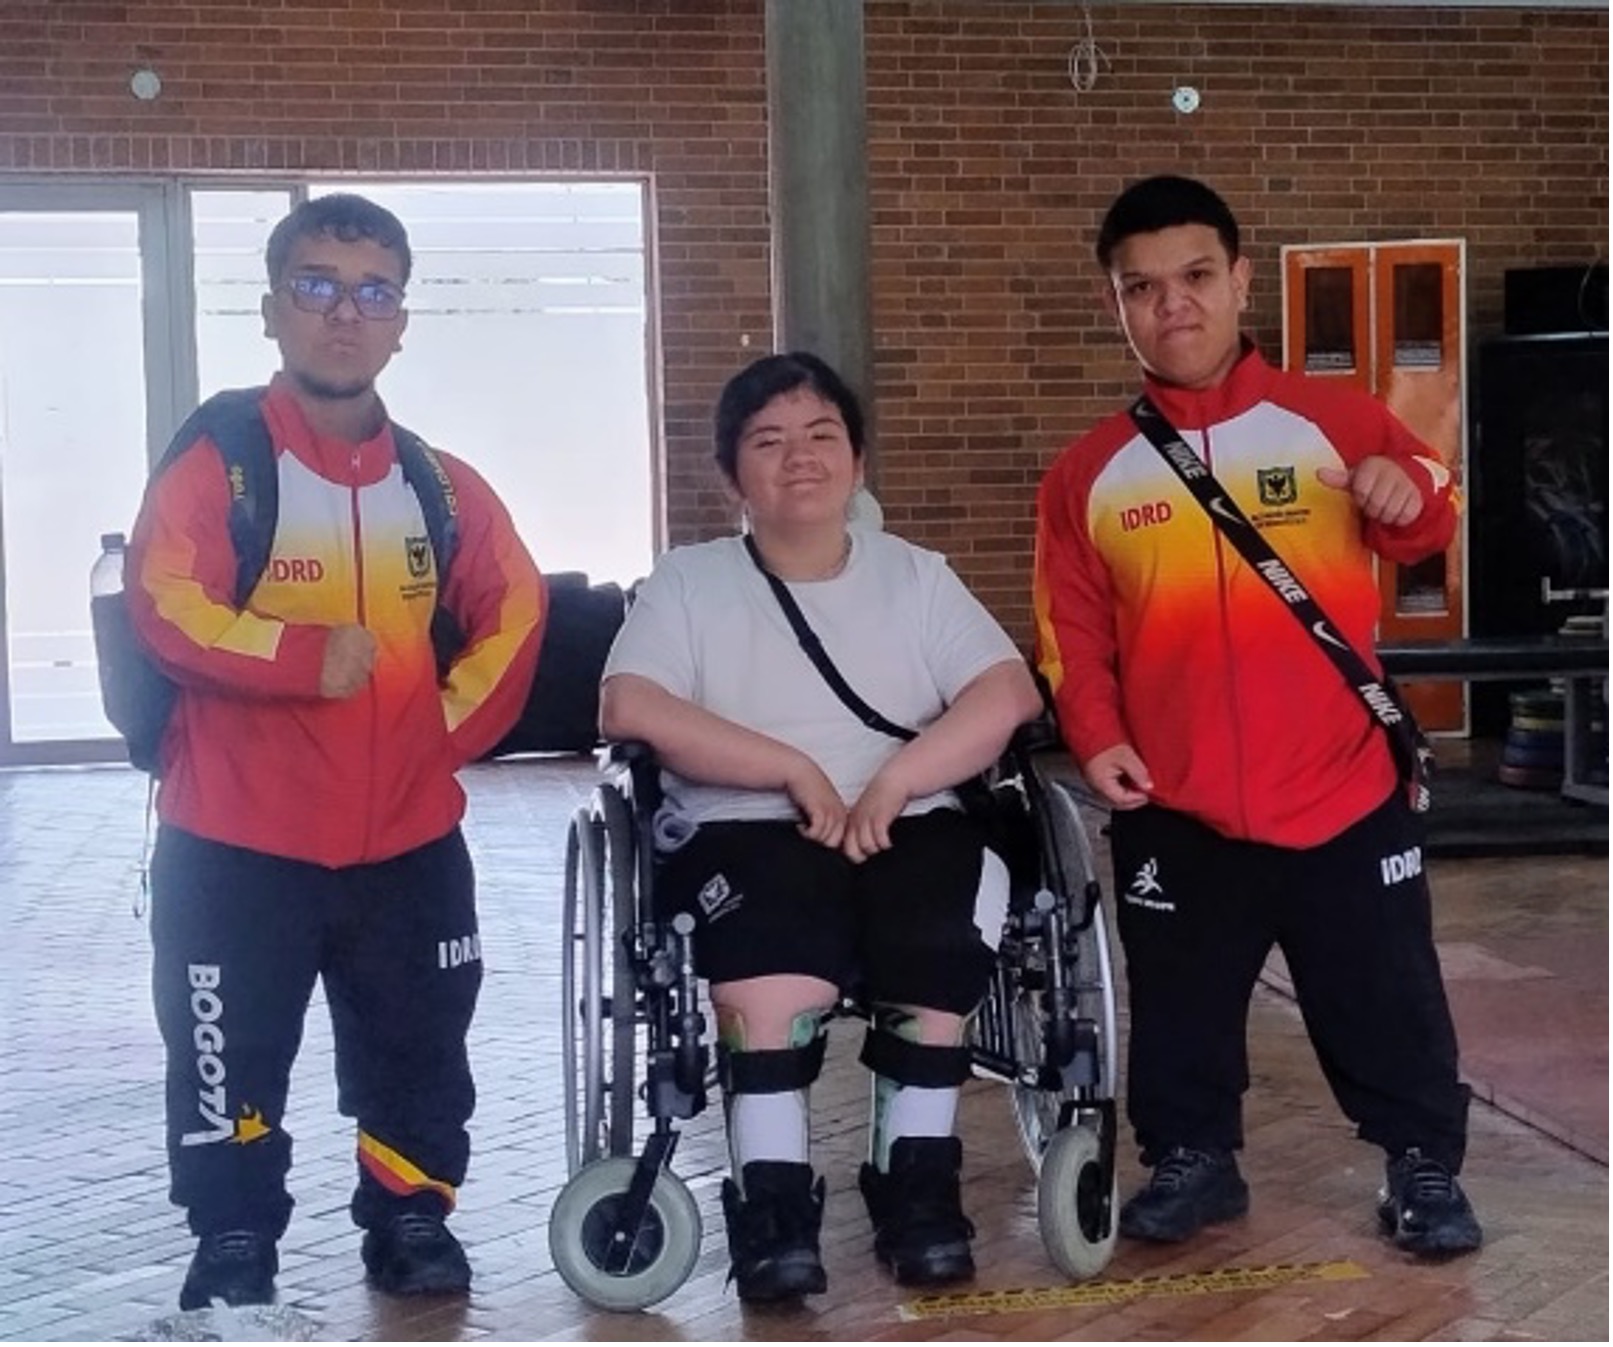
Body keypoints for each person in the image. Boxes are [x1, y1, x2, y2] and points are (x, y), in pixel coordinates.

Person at [1033, 175, 1482, 1258]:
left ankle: (1419, 1165)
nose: (1170, 305)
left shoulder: (1332, 419)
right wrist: (1096, 739)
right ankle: (1193, 1162)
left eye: (1193, 277)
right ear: (1113, 306)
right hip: (1176, 804)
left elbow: (1430, 516)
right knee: (1179, 1007)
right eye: (1139, 288)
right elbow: (1067, 634)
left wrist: (1397, 489)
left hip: (1341, 787)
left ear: (1239, 280)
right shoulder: (1087, 473)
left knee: (1384, 995)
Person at [126, 194, 545, 1310]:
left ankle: (409, 1218)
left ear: (400, 320)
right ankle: (233, 1237)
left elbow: (515, 612)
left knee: (417, 1052)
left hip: (407, 840)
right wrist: (300, 658)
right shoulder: (222, 461)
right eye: (314, 286)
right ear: (273, 310)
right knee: (228, 1056)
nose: (342, 314)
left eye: (371, 292)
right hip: (234, 840)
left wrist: (431, 734)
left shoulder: (439, 485)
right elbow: (163, 601)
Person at [600, 351, 1044, 1302]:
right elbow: (629, 705)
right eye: (767, 441)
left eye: (820, 435)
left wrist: (896, 781)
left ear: (856, 459)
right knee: (772, 961)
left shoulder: (916, 578)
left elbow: (1006, 690)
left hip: (912, 818)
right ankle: (771, 1206)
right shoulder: (688, 582)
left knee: (934, 943)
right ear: (732, 476)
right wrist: (791, 768)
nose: (798, 457)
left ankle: (915, 1188)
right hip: (743, 822)